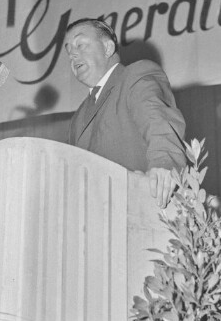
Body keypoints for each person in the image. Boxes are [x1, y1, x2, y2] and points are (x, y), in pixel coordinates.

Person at [64, 18, 188, 208]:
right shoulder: (78, 117)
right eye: (69, 50)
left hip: (141, 207)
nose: (72, 54)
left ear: (107, 48)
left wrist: (165, 162)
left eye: (80, 45)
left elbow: (158, 123)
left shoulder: (135, 75)